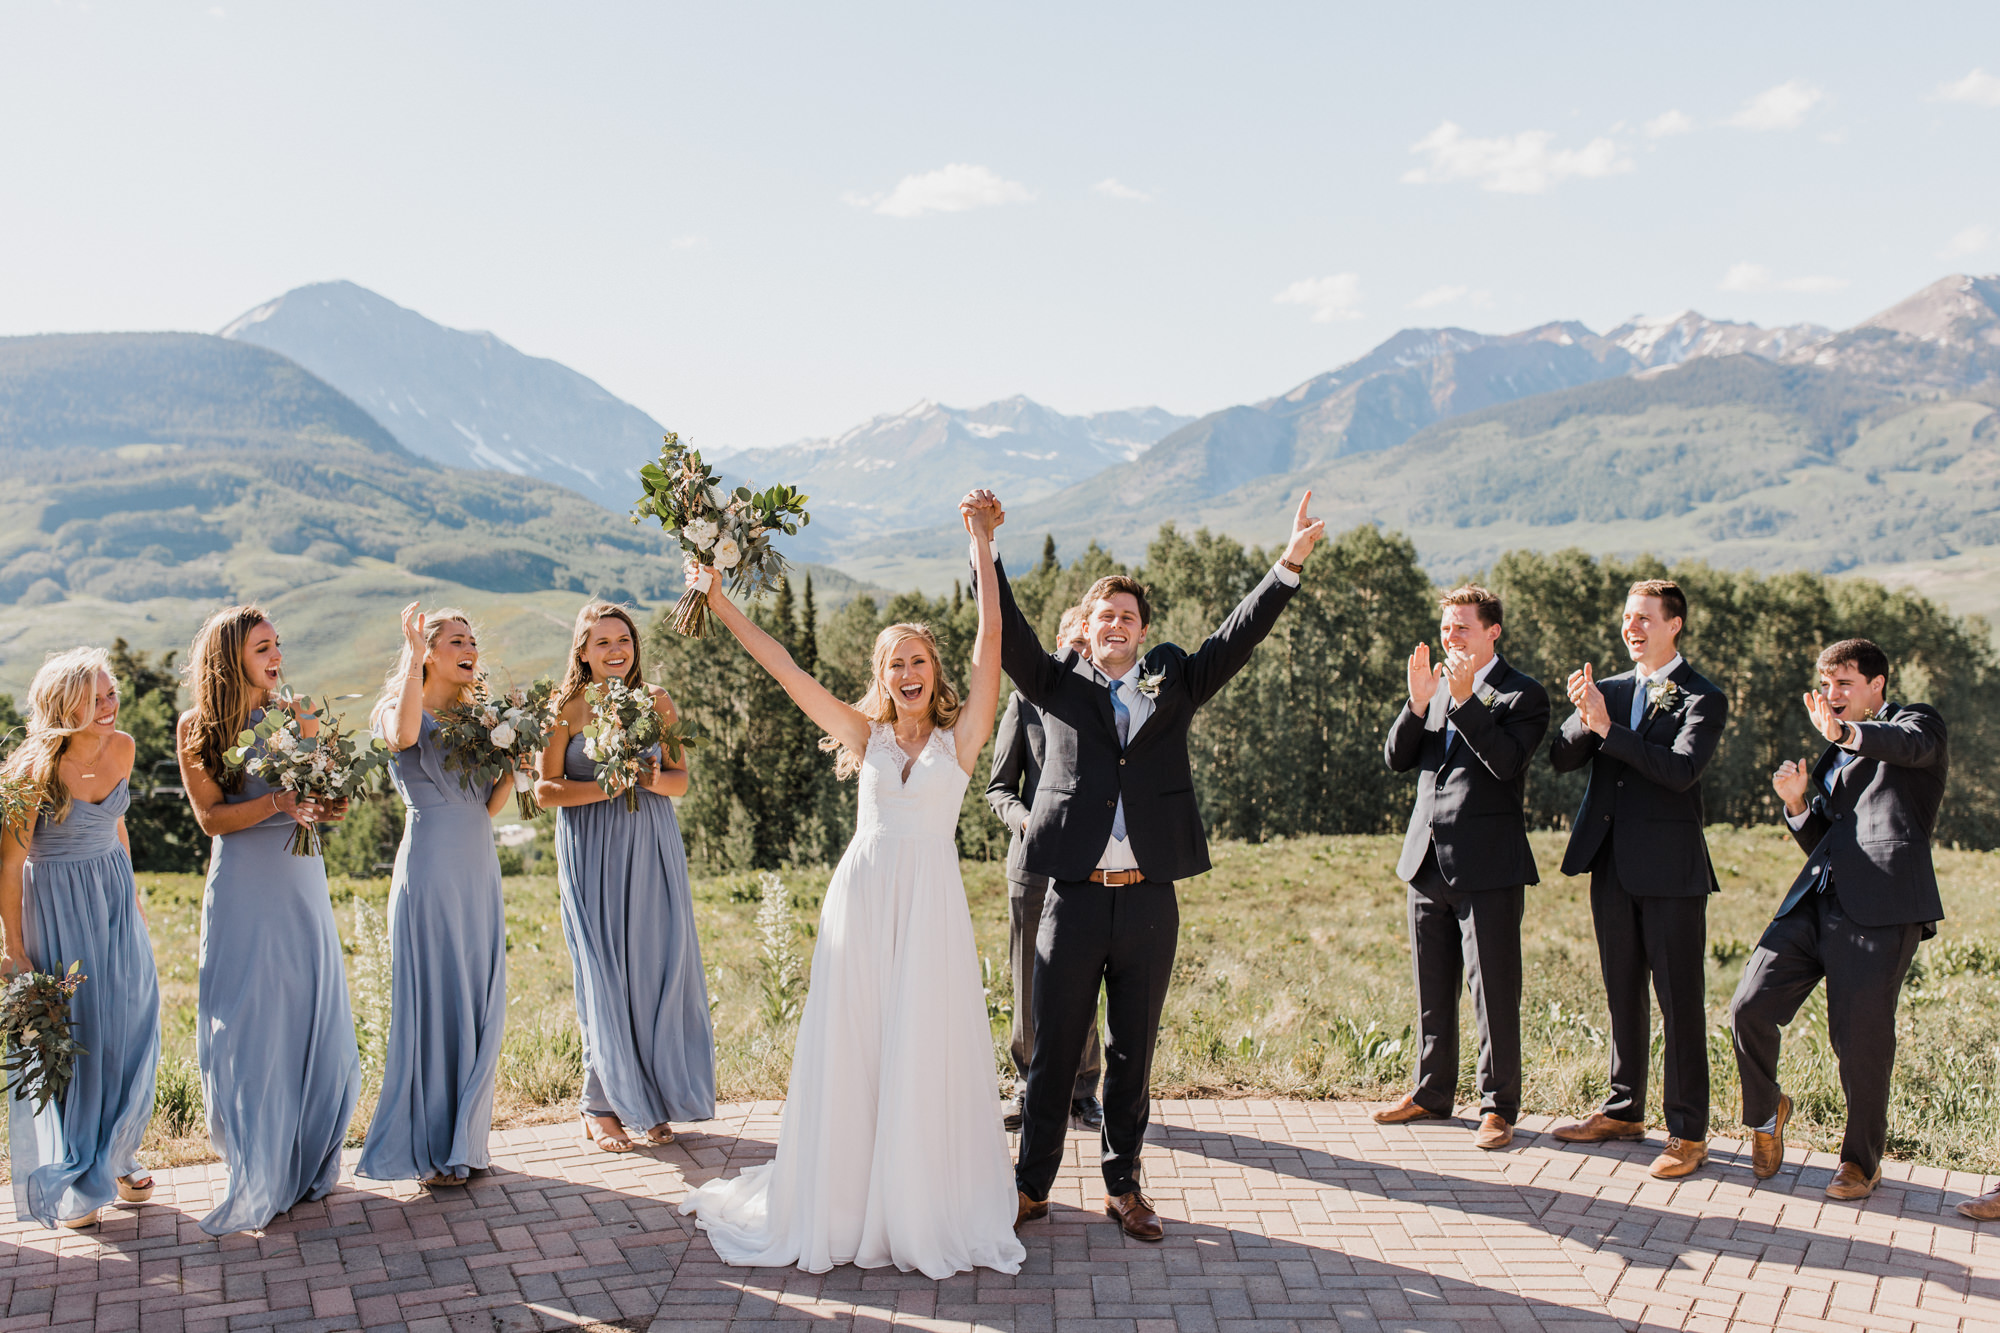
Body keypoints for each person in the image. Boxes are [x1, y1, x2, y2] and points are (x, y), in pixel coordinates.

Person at [678, 499, 1024, 1278]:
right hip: (861, 904)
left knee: (920, 1047)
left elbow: (991, 643)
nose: (905, 673)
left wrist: (981, 545)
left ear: (934, 673)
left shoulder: (961, 738)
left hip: (929, 910)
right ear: (880, 677)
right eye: (892, 663)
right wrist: (721, 600)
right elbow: (786, 669)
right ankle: (844, 1197)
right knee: (858, 1050)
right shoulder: (862, 735)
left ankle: (917, 1201)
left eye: (917, 661)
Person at [987, 488, 1326, 1242]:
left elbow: (1235, 640)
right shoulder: (1058, 684)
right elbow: (1007, 634)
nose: (1116, 625)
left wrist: (1288, 566)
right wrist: (986, 548)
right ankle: (1030, 1186)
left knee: (1131, 1056)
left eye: (1128, 617)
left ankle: (1125, 1187)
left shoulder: (1170, 681)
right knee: (1050, 1056)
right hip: (1072, 898)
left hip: (1147, 903)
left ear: (1143, 632)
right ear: (1090, 626)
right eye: (1104, 615)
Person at [1728, 640, 1947, 1201]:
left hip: (1883, 910)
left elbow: (1906, 746)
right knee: (1749, 1005)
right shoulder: (1832, 756)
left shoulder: (1916, 723)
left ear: (1877, 685)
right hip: (1815, 903)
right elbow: (1824, 841)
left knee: (1861, 1042)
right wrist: (1798, 804)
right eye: (1827, 686)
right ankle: (1766, 1108)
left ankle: (1860, 1162)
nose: (1833, 697)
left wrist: (1847, 735)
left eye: (1844, 684)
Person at [177, 605, 360, 1234]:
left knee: (310, 1011)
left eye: (278, 644)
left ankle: (308, 1156)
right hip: (244, 888)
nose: (276, 656)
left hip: (300, 881)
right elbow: (212, 819)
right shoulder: (196, 728)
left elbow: (327, 800)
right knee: (251, 1020)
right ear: (233, 658)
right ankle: (257, 1160)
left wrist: (327, 803)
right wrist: (277, 802)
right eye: (262, 648)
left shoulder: (303, 712)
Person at [1549, 579, 1726, 1180]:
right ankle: (1624, 1110)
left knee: (1679, 1003)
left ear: (1674, 624)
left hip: (1673, 873)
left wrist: (1607, 729)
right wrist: (1584, 716)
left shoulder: (1704, 697)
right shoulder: (1612, 690)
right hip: (1612, 864)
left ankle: (1687, 1133)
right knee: (1621, 991)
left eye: (1645, 618)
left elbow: (1678, 770)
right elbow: (1561, 757)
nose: (1633, 627)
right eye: (1628, 617)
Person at [534, 601, 714, 1154]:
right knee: (604, 972)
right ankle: (600, 1105)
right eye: (603, 643)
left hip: (652, 845)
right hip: (593, 848)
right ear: (583, 654)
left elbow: (681, 782)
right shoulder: (564, 709)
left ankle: (650, 1099)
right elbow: (544, 791)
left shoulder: (657, 701)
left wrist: (649, 778)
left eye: (624, 641)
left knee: (654, 968)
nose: (616, 651)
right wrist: (610, 786)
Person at [1376, 585, 1549, 1150]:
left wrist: (1467, 699)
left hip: (1488, 867)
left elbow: (1505, 764)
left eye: (1463, 628)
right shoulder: (1434, 689)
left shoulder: (1524, 694)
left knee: (1493, 991)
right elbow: (1398, 759)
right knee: (1432, 988)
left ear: (1492, 631)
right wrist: (1419, 703)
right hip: (1424, 860)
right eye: (1446, 627)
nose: (1451, 637)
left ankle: (1498, 1107)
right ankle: (1431, 1092)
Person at [1, 648, 161, 1230]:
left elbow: (117, 825)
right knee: (77, 1035)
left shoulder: (122, 748)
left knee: (132, 1021)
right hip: (58, 907)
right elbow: (10, 866)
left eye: (110, 693)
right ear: (62, 704)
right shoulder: (30, 773)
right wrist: (13, 949)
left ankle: (118, 1154)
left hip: (113, 897)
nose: (108, 706)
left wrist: (135, 902)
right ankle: (80, 1173)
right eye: (93, 698)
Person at [356, 604, 511, 1188]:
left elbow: (488, 807)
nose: (469, 647)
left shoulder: (482, 720)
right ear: (429, 653)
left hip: (478, 867)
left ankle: (468, 1138)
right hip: (429, 868)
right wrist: (411, 654)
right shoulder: (404, 712)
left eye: (471, 638)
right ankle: (428, 1146)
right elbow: (398, 736)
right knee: (436, 999)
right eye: (454, 640)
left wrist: (512, 764)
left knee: (477, 997)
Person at [988, 605, 1104, 1134]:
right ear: (1056, 643)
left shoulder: (1109, 703)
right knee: (1028, 980)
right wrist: (1024, 819)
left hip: (1088, 869)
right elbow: (997, 789)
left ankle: (1084, 1091)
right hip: (1031, 867)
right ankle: (1027, 1083)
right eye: (1072, 643)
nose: (1079, 653)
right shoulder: (1024, 702)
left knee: (1083, 982)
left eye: (1087, 644)